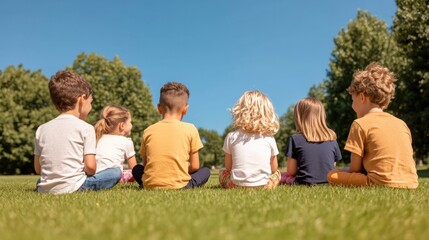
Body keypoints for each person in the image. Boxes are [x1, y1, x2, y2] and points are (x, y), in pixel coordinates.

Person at [327, 62, 418, 188]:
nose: (352, 105)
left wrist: (345, 170)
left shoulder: (360, 124)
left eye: (353, 100)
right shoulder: (402, 124)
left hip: (379, 182)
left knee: (332, 175)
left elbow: (355, 169)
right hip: (411, 183)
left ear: (362, 97)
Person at [34, 70, 121, 194]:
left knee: (41, 180)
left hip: (45, 187)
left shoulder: (41, 129)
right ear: (82, 100)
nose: (90, 107)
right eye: (90, 102)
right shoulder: (86, 128)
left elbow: (38, 169)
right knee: (115, 172)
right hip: (75, 186)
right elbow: (90, 168)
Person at [132, 82, 210, 189]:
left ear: (159, 108)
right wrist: (177, 170)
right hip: (181, 185)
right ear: (185, 109)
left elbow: (146, 165)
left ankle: (145, 184)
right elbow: (195, 166)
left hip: (150, 184)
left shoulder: (148, 131)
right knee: (205, 171)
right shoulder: (190, 129)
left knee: (137, 169)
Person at [219, 90, 281, 189]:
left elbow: (228, 168)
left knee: (222, 172)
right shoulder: (269, 138)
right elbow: (274, 169)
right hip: (264, 186)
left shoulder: (231, 136)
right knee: (277, 173)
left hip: (235, 186)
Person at [280, 98, 342, 185]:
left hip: (303, 182)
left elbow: (291, 172)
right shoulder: (332, 139)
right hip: (328, 182)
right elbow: (332, 165)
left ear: (299, 117)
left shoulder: (295, 139)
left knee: (282, 176)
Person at [94, 105, 137, 183]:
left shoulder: (98, 138)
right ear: (122, 126)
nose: (131, 125)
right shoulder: (126, 141)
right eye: (130, 122)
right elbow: (134, 169)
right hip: (112, 175)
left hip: (94, 175)